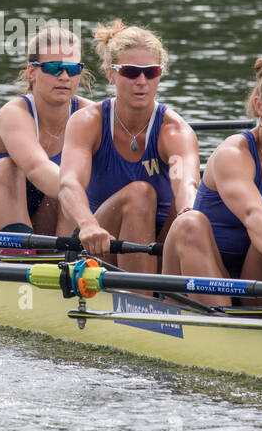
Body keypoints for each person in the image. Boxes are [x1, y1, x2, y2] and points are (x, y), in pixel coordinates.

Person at [161, 55, 262, 306]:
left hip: (257, 279)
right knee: (189, 222)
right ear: (259, 106)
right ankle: (219, 323)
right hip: (200, 272)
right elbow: (254, 215)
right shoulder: (233, 154)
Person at [58, 20, 199, 274]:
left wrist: (189, 211)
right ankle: (140, 300)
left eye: (151, 72)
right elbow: (69, 183)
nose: (142, 81)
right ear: (111, 73)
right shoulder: (88, 123)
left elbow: (186, 184)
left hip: (159, 245)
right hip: (99, 245)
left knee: (187, 213)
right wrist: (88, 224)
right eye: (131, 72)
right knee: (140, 194)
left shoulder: (175, 131)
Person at [0, 26, 94, 235]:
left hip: (44, 224)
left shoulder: (90, 115)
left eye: (73, 68)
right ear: (32, 72)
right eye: (54, 68)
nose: (65, 76)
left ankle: (65, 255)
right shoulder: (14, 114)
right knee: (9, 168)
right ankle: (17, 258)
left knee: (70, 175)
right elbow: (37, 169)